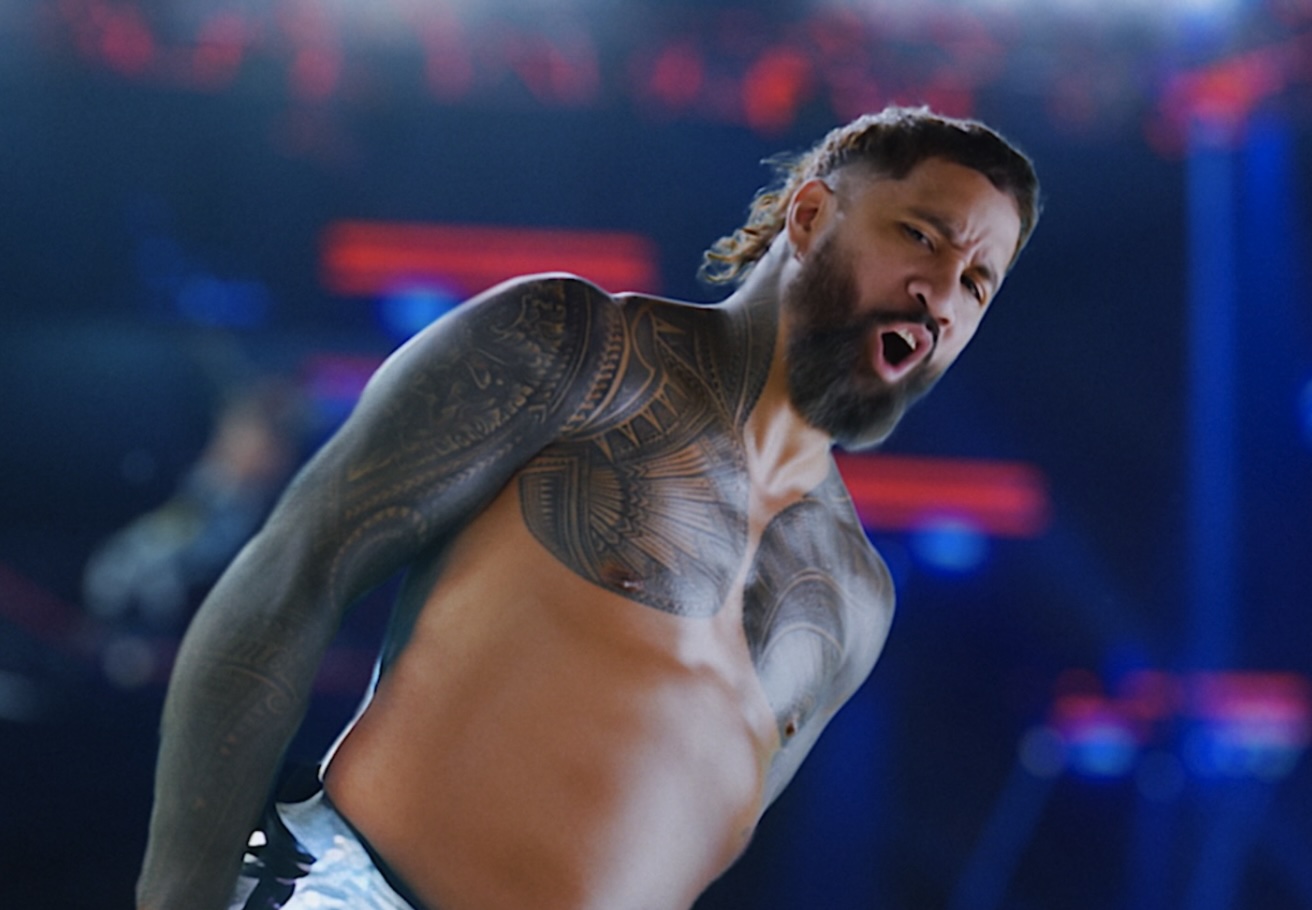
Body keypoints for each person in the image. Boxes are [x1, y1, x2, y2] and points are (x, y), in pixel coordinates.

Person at [136, 105, 1041, 910]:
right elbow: (289, 581)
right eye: (923, 236)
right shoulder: (573, 351)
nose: (941, 295)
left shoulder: (856, 599)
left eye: (977, 282)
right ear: (809, 216)